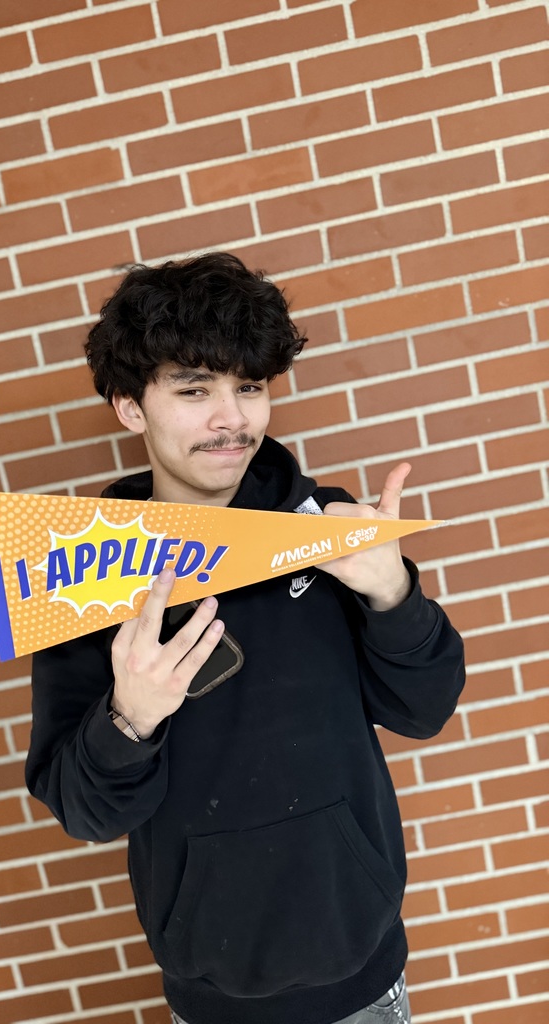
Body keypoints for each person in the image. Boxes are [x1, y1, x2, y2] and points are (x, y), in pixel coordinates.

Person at [25, 252, 466, 1024]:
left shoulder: (332, 532)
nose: (231, 419)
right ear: (132, 406)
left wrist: (392, 593)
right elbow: (86, 811)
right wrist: (129, 719)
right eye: (194, 390)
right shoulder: (84, 572)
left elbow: (426, 709)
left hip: (365, 977)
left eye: (249, 387)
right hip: (212, 996)